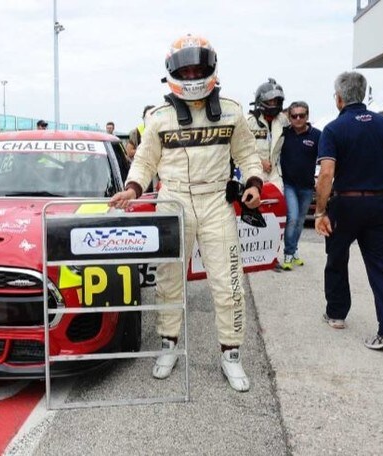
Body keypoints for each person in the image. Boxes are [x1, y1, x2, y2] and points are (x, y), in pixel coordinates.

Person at [109, 34, 263, 391]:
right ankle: (169, 345)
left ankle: (231, 354)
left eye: (198, 68)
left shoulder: (232, 110)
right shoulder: (158, 118)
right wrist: (132, 190)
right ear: (172, 72)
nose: (193, 75)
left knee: (228, 283)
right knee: (168, 279)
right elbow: (145, 162)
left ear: (211, 68)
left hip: (216, 202)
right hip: (173, 201)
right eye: (186, 69)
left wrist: (253, 183)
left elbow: (248, 155)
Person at [314, 71, 383, 351]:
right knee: (382, 267)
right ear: (364, 94)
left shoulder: (333, 129)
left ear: (339, 98)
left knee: (337, 257)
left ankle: (337, 313)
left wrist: (320, 211)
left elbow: (326, 173)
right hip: (380, 204)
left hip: (346, 204)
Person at [279, 101, 320, 270]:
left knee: (300, 221)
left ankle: (294, 250)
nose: (297, 119)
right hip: (288, 184)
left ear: (307, 116)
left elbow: (326, 158)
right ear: (289, 117)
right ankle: (288, 254)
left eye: (301, 115)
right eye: (294, 115)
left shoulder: (317, 135)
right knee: (293, 218)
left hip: (307, 186)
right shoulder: (283, 133)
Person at [246, 78, 289, 190]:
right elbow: (242, 150)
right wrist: (260, 162)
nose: (273, 104)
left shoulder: (283, 120)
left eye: (276, 101)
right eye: (270, 101)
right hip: (254, 172)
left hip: (276, 174)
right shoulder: (249, 121)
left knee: (277, 205)